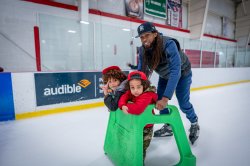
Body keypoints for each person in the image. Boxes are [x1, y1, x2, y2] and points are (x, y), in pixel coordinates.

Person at [136, 22, 200, 144]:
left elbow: (175, 71)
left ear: (155, 34)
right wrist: (132, 88)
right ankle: (169, 125)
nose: (144, 39)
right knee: (158, 98)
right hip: (165, 75)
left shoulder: (168, 44)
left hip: (182, 73)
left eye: (147, 35)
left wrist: (166, 98)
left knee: (183, 102)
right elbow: (140, 72)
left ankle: (194, 122)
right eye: (141, 37)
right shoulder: (143, 50)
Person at [118, 71, 157, 161]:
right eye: (132, 87)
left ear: (144, 86)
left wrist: (125, 106)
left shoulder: (147, 94)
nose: (135, 90)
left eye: (138, 87)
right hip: (137, 123)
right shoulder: (131, 92)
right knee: (133, 143)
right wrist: (122, 105)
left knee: (141, 147)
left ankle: (139, 161)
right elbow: (124, 96)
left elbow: (137, 108)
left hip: (146, 125)